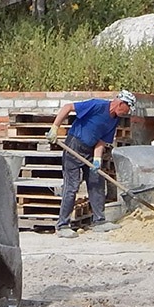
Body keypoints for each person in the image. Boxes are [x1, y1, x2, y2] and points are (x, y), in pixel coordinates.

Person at [47, 90, 136, 238]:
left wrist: (97, 160)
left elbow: (102, 140)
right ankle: (62, 226)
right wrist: (55, 128)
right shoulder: (97, 105)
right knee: (72, 186)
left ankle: (99, 221)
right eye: (128, 109)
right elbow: (68, 107)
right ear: (121, 103)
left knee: (97, 182)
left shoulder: (114, 119)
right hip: (74, 146)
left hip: (91, 150)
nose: (128, 113)